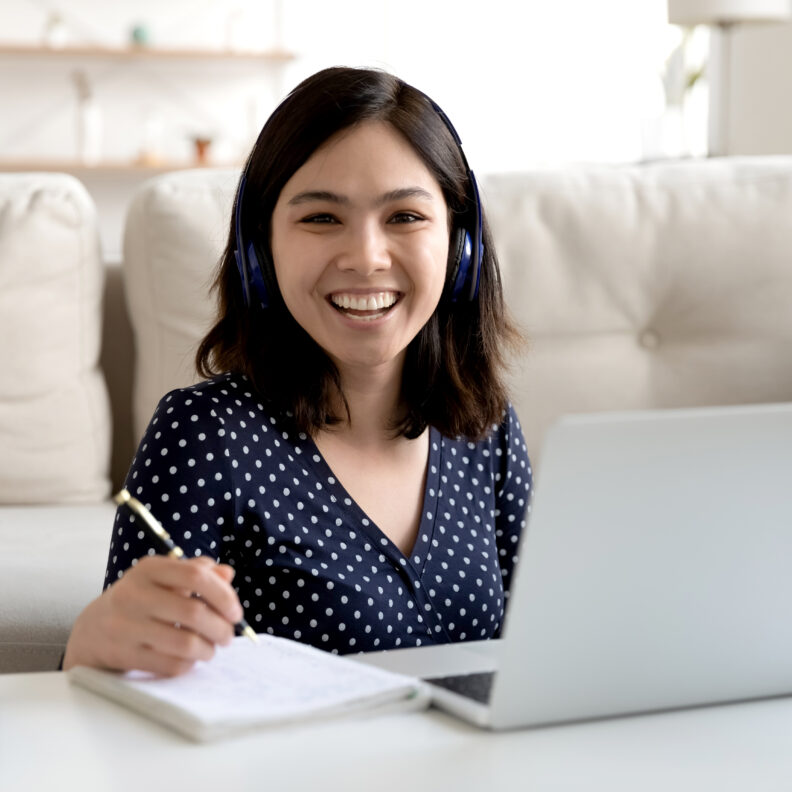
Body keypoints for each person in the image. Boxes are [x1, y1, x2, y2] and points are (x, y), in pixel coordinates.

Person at [63, 66, 532, 676]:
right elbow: (123, 681)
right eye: (321, 218)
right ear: (260, 251)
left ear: (460, 248)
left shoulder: (487, 432)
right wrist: (90, 648)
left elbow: (541, 653)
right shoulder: (203, 437)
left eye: (405, 217)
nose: (367, 258)